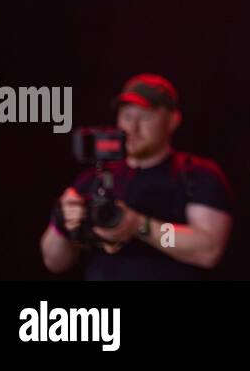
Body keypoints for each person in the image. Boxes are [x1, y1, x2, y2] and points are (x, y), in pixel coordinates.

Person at [40, 73, 234, 279]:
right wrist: (61, 223)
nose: (132, 127)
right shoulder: (93, 179)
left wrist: (140, 226)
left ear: (173, 120)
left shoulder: (195, 176)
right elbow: (54, 262)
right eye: (127, 116)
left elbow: (208, 251)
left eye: (145, 116)